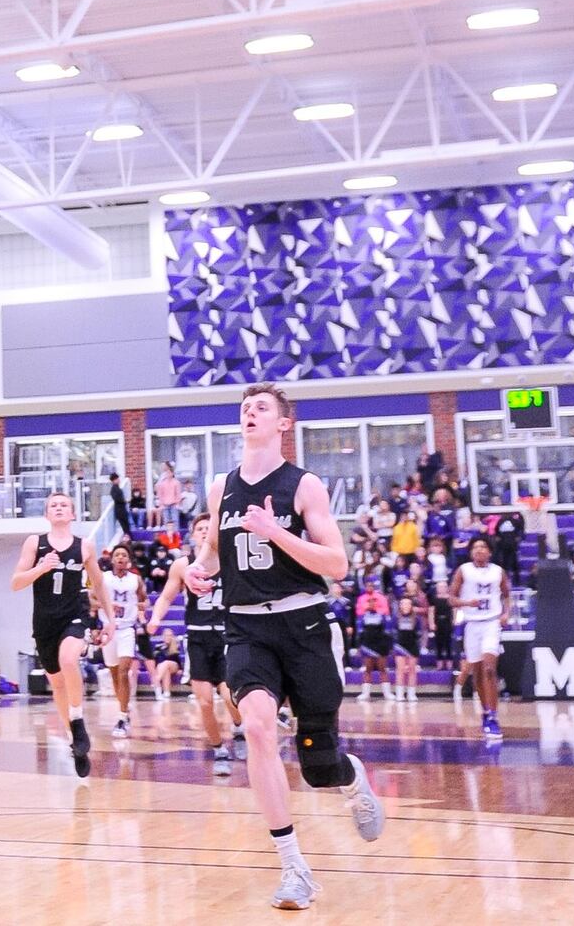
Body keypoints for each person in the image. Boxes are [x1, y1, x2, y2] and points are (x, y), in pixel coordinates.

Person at [185, 383, 382, 912]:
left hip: (304, 626)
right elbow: (212, 555)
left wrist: (277, 533)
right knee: (256, 726)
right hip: (246, 629)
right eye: (245, 408)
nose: (250, 413)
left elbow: (336, 564)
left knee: (319, 766)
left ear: (283, 424)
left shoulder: (305, 485)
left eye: (262, 408)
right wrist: (198, 573)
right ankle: (293, 867)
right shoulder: (221, 487)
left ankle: (350, 777)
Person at [11, 492, 114, 779]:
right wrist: (40, 568)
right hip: (44, 622)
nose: (58, 508)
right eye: (53, 505)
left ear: (72, 514)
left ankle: (78, 719)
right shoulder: (35, 543)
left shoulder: (85, 547)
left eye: (64, 505)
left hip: (74, 615)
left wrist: (110, 619)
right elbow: (15, 583)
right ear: (47, 514)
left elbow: (100, 583)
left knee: (69, 659)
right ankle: (74, 740)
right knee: (56, 684)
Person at [147, 512, 238, 776]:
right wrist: (155, 618)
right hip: (198, 637)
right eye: (200, 527)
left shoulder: (231, 561)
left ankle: (239, 724)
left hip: (226, 637)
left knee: (230, 695)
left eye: (209, 527)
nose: (204, 531)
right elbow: (165, 597)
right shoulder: (182, 565)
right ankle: (219, 749)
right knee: (205, 701)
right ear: (193, 533)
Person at [451, 535, 509, 741]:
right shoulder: (463, 570)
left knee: (489, 668)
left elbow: (507, 594)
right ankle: (485, 712)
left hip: (491, 623)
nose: (479, 550)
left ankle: (493, 717)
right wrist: (467, 603)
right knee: (476, 673)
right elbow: (451, 598)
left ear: (490, 552)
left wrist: (506, 613)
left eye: (483, 546)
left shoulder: (497, 572)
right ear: (470, 552)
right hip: (472, 625)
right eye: (475, 547)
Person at [97, 544, 146, 737]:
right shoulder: (103, 578)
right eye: (116, 555)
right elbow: (91, 600)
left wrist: (142, 610)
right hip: (108, 629)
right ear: (112, 559)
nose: (120, 558)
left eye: (124, 555)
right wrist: (108, 604)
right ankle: (123, 710)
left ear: (129, 560)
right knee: (115, 673)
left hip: (127, 629)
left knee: (124, 671)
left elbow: (143, 600)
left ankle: (121, 716)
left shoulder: (136, 580)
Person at [355, 581, 394, 702]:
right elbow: (360, 633)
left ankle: (387, 693)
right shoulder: (362, 617)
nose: (371, 604)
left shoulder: (383, 616)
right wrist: (359, 646)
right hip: (367, 644)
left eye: (374, 602)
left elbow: (388, 632)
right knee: (368, 669)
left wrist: (387, 647)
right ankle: (365, 693)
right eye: (369, 602)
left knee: (383, 668)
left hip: (380, 645)